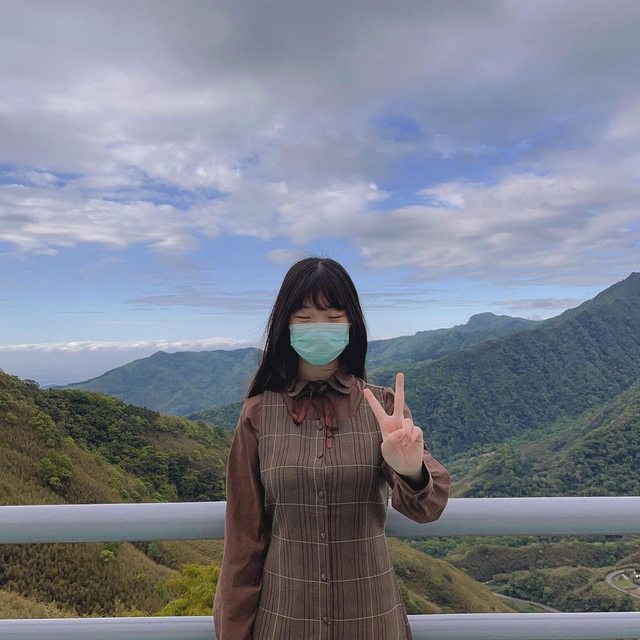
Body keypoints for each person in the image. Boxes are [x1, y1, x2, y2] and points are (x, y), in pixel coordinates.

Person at [212, 256, 450, 639]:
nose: (318, 328)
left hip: (371, 621)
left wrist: (411, 470)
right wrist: (233, 631)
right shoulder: (258, 414)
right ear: (285, 325)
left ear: (351, 325)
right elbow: (244, 537)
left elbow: (427, 508)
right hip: (284, 623)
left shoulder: (383, 408)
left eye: (333, 317)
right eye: (304, 318)